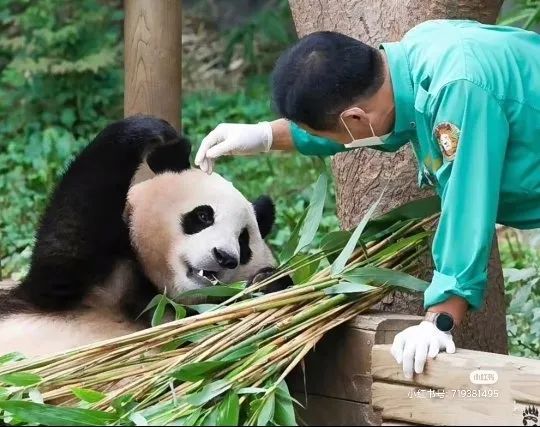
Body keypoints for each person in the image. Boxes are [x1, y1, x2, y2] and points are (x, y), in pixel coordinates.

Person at [195, 19, 540, 379]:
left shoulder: (457, 91)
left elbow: (467, 203)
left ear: (356, 116)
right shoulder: (416, 56)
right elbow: (386, 123)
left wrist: (439, 320)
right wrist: (265, 135)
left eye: (323, 131)